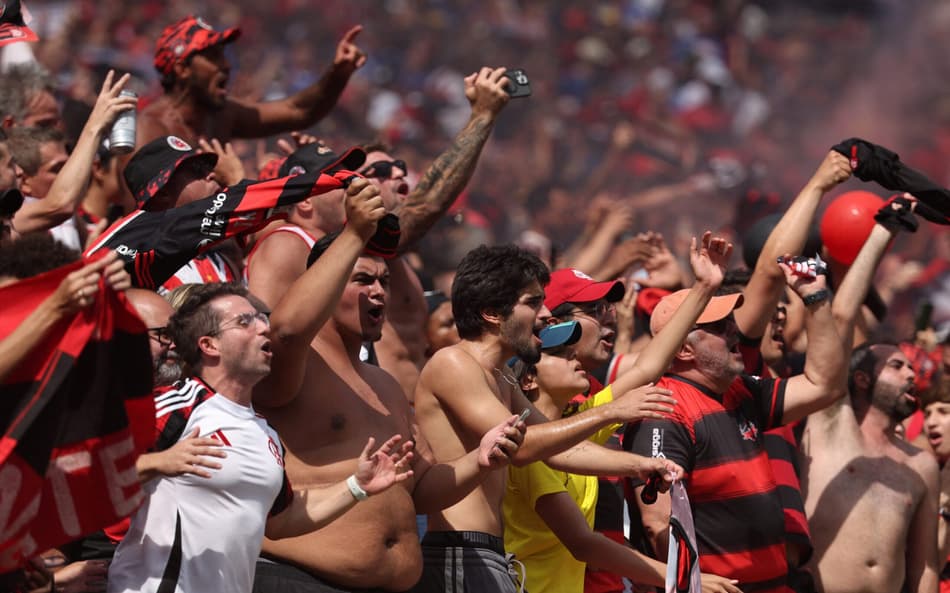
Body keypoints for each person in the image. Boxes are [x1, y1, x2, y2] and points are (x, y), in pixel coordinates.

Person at [250, 194, 526, 593]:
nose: (378, 292)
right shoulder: (293, 364)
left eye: (384, 281)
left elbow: (422, 487)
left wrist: (479, 460)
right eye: (362, 280)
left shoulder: (385, 386)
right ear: (323, 288)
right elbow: (287, 329)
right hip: (297, 577)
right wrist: (355, 232)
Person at [106, 282, 415, 593]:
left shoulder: (264, 432)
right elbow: (91, 474)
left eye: (261, 318)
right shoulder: (175, 405)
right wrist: (159, 462)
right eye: (244, 322)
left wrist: (356, 487)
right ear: (209, 345)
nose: (263, 328)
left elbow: (280, 522)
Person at [411, 244, 686, 593]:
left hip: (489, 557)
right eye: (532, 303)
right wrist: (610, 411)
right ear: (492, 313)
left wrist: (638, 464)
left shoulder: (502, 377)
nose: (544, 316)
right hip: (459, 553)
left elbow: (560, 450)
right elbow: (522, 447)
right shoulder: (453, 362)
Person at [503, 233, 743, 593]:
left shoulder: (577, 419)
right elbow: (583, 543)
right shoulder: (529, 443)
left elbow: (648, 367)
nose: (574, 358)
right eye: (561, 354)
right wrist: (682, 577)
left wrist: (704, 287)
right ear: (529, 380)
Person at [624, 249, 848, 593]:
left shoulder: (740, 390)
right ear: (683, 349)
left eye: (730, 321)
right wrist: (692, 583)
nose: (734, 331)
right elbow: (658, 525)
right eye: (718, 326)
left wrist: (815, 298)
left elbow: (825, 386)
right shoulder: (664, 408)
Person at [801, 195, 939, 593]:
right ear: (860, 380)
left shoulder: (922, 465)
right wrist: (882, 233)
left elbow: (925, 566)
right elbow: (841, 320)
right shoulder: (829, 426)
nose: (911, 374)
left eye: (911, 367)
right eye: (896, 366)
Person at [138, 15, 366, 146]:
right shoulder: (149, 131)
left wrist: (338, 74)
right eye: (213, 58)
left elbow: (299, 111)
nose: (226, 65)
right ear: (182, 69)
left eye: (224, 55)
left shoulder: (221, 116)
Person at [9, 71, 136, 247]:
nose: (57, 129)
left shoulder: (73, 218)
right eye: (44, 124)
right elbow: (59, 206)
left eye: (57, 122)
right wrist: (95, 125)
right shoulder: (12, 215)